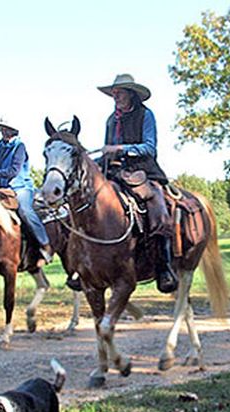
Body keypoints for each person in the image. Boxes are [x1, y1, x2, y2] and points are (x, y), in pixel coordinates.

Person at [97, 73, 178, 294]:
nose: (116, 97)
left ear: (131, 94)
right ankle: (84, 264)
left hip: (144, 170)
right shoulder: (111, 120)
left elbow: (149, 147)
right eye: (114, 93)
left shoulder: (146, 115)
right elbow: (107, 148)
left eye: (119, 92)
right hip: (115, 170)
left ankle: (165, 268)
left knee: (158, 208)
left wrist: (121, 149)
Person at [0, 117, 53, 264]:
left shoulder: (20, 146)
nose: (3, 132)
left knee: (25, 211)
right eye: (1, 129)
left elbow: (13, 171)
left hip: (20, 187)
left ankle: (45, 244)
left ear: (13, 130)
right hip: (1, 187)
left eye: (6, 129)